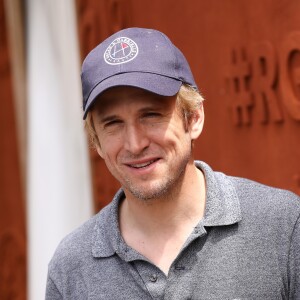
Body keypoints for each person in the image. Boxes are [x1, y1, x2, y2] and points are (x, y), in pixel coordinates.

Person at [46, 27, 300, 299]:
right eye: (113, 123)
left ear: (194, 118)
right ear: (96, 141)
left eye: (151, 115)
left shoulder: (283, 227)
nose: (134, 144)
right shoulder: (70, 268)